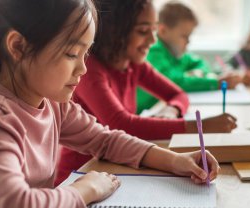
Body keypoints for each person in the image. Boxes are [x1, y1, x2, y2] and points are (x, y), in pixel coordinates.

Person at [0, 0, 220, 208]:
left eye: (86, 54)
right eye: (72, 54)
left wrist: (174, 160)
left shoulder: (53, 104)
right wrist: (86, 190)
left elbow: (105, 140)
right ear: (18, 46)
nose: (83, 68)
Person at [56, 0, 236, 185]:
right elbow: (121, 124)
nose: (153, 40)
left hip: (114, 170)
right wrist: (199, 126)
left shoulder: (135, 65)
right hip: (78, 176)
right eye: (143, 31)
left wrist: (172, 111)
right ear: (114, 31)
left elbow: (178, 95)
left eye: (154, 29)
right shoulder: (90, 70)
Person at [137, 1, 241, 113]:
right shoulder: (154, 51)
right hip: (143, 115)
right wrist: (216, 83)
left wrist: (197, 72)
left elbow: (201, 63)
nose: (188, 41)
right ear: (163, 31)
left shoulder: (177, 53)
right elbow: (174, 83)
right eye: (184, 36)